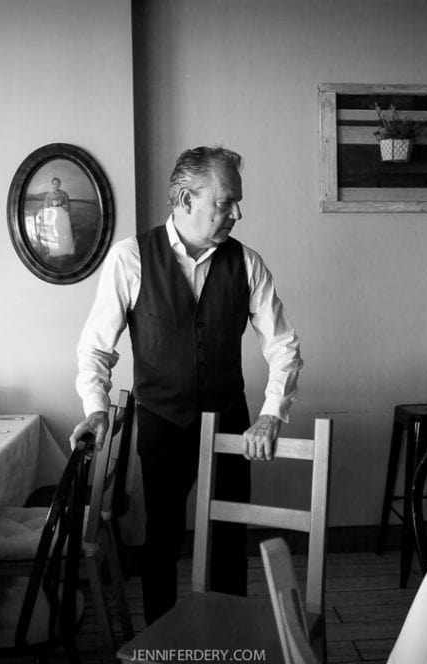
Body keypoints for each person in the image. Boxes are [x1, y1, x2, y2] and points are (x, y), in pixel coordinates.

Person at [71, 145, 303, 624]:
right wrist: (96, 408)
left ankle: (227, 640)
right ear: (185, 198)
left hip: (231, 420)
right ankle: (162, 649)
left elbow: (284, 346)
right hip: (162, 421)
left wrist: (269, 414)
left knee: (228, 539)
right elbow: (95, 348)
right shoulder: (130, 258)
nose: (238, 213)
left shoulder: (248, 264)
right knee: (161, 539)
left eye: (236, 201)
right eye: (225, 202)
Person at [37, 177, 75, 256]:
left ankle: (66, 250)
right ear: (52, 185)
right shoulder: (48, 195)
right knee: (53, 234)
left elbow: (68, 207)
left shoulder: (64, 194)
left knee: (63, 233)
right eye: (54, 184)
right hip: (52, 219)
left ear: (60, 184)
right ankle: (55, 252)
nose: (56, 185)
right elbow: (45, 208)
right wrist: (50, 210)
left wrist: (59, 204)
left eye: (57, 184)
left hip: (62, 218)